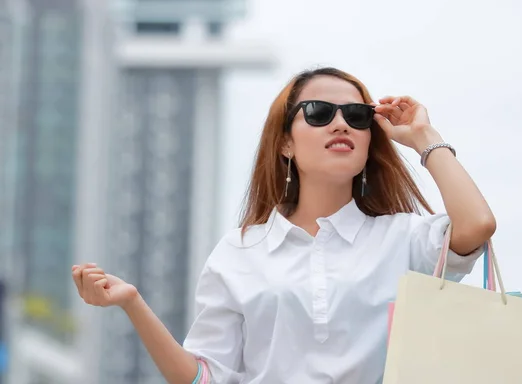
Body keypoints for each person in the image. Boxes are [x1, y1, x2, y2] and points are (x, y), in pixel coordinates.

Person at [71, 67, 496, 384]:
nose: (341, 122)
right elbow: (203, 377)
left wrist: (424, 136)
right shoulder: (239, 251)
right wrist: (132, 303)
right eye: (318, 112)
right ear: (285, 143)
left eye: (357, 114)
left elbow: (477, 225)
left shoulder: (404, 238)